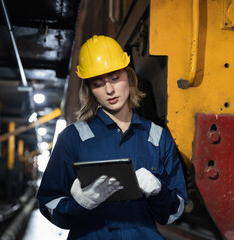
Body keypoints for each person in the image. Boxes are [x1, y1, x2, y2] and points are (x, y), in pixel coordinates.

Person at [36, 35, 188, 239]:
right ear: (90, 90)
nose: (109, 90)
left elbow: (174, 212)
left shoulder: (158, 137)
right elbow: (48, 203)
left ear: (129, 76)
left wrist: (159, 191)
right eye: (98, 83)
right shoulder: (73, 138)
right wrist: (78, 205)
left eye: (115, 78)